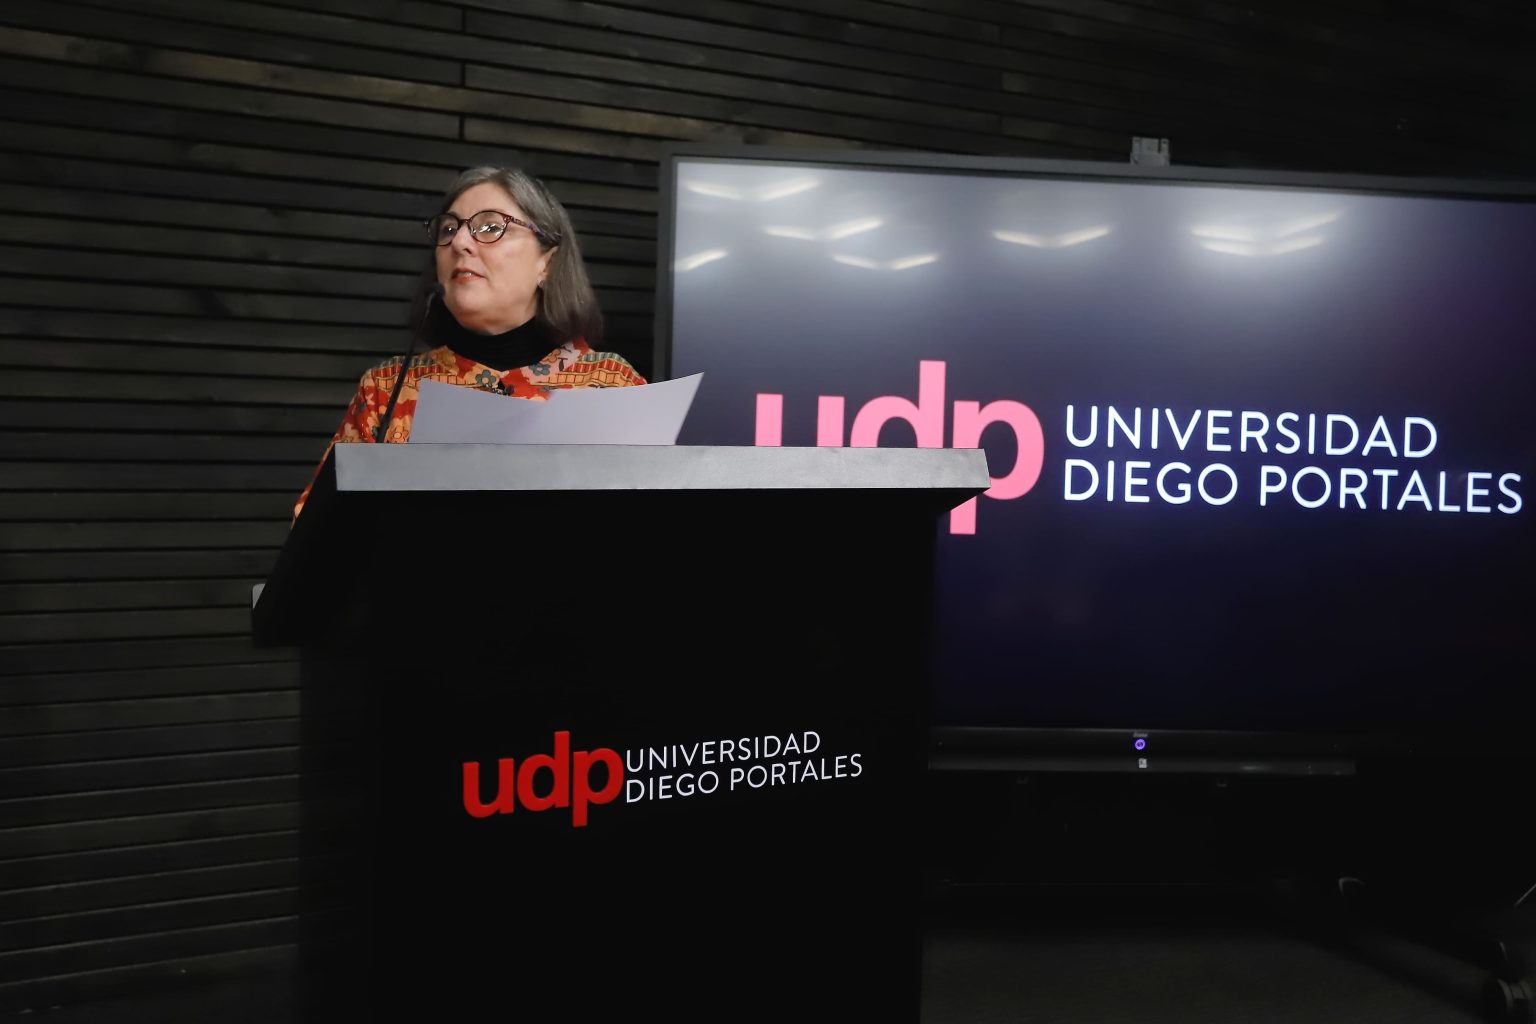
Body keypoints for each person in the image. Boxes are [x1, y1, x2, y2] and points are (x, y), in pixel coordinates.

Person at [292, 166, 648, 519]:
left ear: (547, 263)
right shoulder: (387, 390)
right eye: (449, 229)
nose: (460, 242)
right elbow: (314, 531)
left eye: (491, 227)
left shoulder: (611, 385)